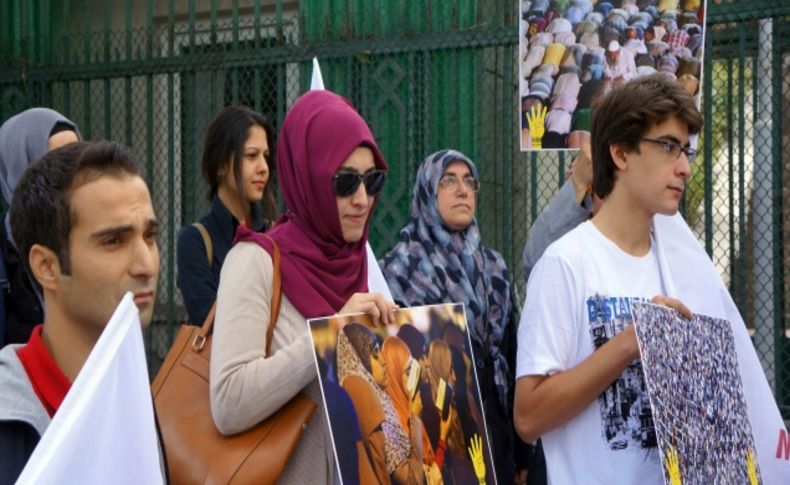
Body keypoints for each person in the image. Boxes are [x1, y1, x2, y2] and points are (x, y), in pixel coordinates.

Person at [514, 73, 703, 484]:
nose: (685, 167)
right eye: (669, 146)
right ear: (620, 154)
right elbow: (527, 417)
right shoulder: (564, 263)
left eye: (686, 150)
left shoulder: (684, 269)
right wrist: (632, 342)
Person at [208, 89, 398, 483]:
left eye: (372, 179)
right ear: (307, 177)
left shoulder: (356, 260)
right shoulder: (254, 261)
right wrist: (327, 336)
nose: (363, 199)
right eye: (345, 182)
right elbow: (228, 402)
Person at [0, 141, 160, 484]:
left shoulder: (135, 397)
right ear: (46, 266)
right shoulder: (9, 422)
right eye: (113, 241)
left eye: (149, 235)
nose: (146, 264)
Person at [380, 149, 526, 484]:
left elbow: (513, 360)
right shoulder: (399, 272)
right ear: (427, 192)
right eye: (448, 181)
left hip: (495, 438)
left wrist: (520, 452)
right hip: (439, 446)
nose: (463, 190)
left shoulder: (494, 269)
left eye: (469, 182)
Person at [176, 105, 276, 324]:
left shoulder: (275, 234)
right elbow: (210, 322)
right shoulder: (195, 241)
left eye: (266, 156)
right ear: (221, 164)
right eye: (251, 156)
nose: (263, 167)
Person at [0, 108, 81, 345]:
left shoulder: (87, 242)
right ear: (20, 168)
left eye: (77, 158)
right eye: (56, 163)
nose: (72, 174)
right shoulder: (7, 257)